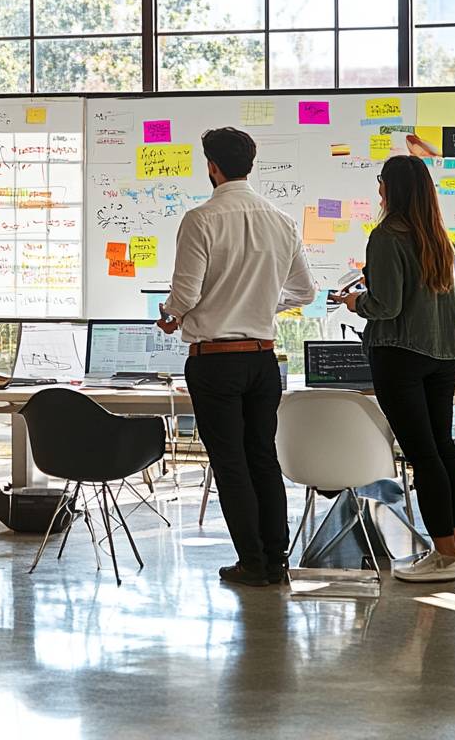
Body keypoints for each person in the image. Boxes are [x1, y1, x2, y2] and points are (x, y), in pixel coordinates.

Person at [157, 128, 316, 587]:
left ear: (212, 166)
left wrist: (171, 315)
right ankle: (276, 559)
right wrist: (263, 305)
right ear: (250, 162)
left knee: (230, 463)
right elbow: (304, 290)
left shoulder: (200, 218)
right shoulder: (281, 220)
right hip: (264, 361)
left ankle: (252, 563)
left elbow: (184, 294)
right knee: (263, 458)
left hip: (215, 360)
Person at [337, 154, 455, 583]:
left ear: (391, 188)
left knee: (422, 455)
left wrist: (357, 302)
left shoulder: (386, 236)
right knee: (443, 449)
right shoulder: (440, 238)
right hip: (444, 357)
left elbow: (386, 306)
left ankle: (443, 558)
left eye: (380, 182)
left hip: (400, 355)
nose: (378, 189)